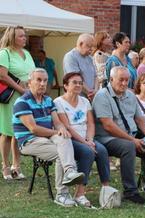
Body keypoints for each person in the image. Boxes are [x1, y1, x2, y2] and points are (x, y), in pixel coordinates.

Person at [92, 66, 145, 204]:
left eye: (127, 80)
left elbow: (139, 119)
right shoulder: (102, 96)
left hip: (130, 135)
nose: (125, 83)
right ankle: (130, 191)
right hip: (107, 138)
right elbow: (108, 125)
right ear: (111, 79)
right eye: (121, 80)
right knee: (128, 147)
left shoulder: (130, 95)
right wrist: (133, 140)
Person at [13, 68, 85, 207]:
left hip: (46, 137)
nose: (42, 83)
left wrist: (62, 129)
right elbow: (33, 129)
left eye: (45, 80)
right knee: (61, 154)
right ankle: (61, 194)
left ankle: (70, 171)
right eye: (38, 80)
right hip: (29, 141)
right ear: (29, 83)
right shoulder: (22, 102)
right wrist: (56, 132)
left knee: (64, 137)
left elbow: (57, 123)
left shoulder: (48, 100)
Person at [54, 72, 112, 208]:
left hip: (87, 137)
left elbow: (91, 124)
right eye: (75, 82)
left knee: (102, 151)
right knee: (88, 152)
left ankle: (106, 189)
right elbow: (67, 126)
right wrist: (85, 143)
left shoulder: (85, 101)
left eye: (80, 83)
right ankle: (79, 193)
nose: (78, 85)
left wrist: (90, 139)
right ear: (66, 85)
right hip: (70, 139)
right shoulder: (58, 102)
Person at [0, 26, 35, 180]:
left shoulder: (27, 53)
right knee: (7, 131)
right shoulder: (5, 53)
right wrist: (21, 89)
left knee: (18, 131)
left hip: (26, 96)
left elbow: (32, 74)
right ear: (12, 37)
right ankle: (5, 166)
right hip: (11, 96)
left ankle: (16, 165)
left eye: (24, 36)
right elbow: (2, 76)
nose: (24, 38)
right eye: (21, 36)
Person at [63, 33, 97, 101]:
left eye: (92, 47)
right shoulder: (70, 57)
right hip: (76, 98)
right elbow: (75, 79)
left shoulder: (90, 58)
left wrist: (95, 91)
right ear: (81, 44)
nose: (91, 49)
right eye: (89, 46)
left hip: (91, 97)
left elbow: (96, 76)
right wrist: (90, 93)